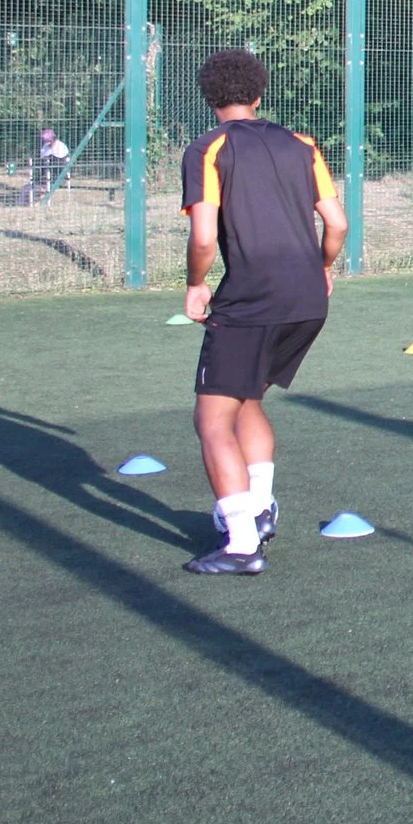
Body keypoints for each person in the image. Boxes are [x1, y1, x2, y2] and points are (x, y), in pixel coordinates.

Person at [180, 48, 347, 576]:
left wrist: (194, 283)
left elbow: (204, 235)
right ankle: (260, 506)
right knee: (248, 398)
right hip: (307, 300)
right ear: (259, 94)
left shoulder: (209, 149)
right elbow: (337, 225)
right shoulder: (302, 144)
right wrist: (322, 267)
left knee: (211, 420)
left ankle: (241, 544)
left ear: (211, 98)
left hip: (252, 299)